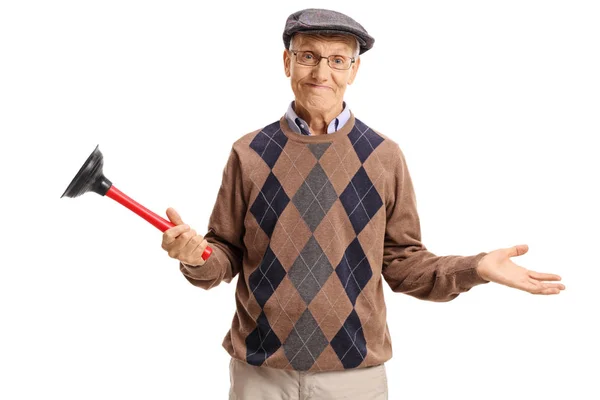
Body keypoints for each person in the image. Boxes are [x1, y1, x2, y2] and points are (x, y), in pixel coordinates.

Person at [160, 8, 566, 400]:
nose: (321, 73)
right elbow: (224, 255)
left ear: (354, 71)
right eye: (308, 57)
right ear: (287, 62)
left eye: (337, 60)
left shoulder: (383, 156)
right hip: (260, 375)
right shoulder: (248, 153)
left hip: (356, 379)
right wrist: (196, 257)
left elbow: (405, 265)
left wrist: (475, 268)